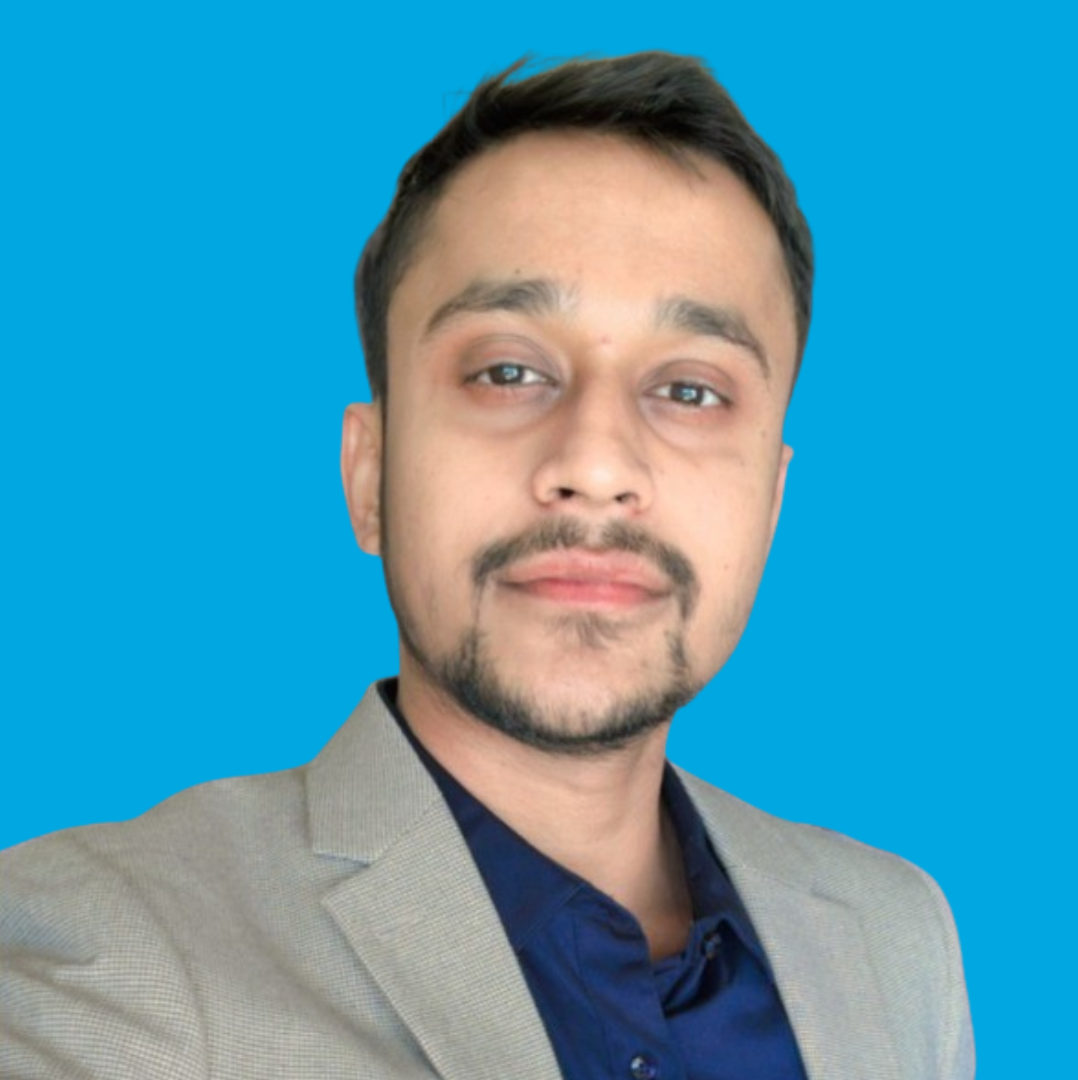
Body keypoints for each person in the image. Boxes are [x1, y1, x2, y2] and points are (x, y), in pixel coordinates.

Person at [0, 52, 973, 1079]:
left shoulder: (895, 939)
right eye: (508, 371)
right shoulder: (108, 960)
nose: (597, 466)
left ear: (770, 505)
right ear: (370, 476)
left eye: (690, 391)